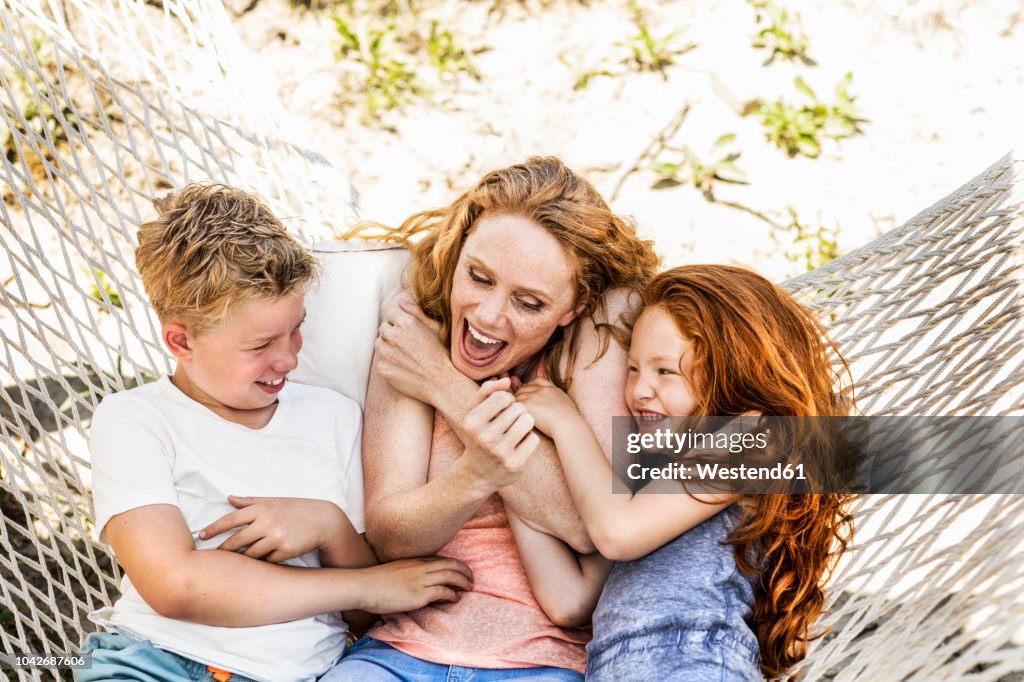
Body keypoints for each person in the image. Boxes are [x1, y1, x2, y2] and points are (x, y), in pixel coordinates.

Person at [78, 184, 471, 682]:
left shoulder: (333, 417)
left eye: (297, 328)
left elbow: (367, 617)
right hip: (154, 662)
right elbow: (174, 583)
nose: (288, 359)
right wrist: (364, 586)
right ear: (181, 341)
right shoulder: (134, 419)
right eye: (261, 344)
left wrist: (329, 526)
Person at [322, 157, 659, 680]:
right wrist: (473, 476)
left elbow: (589, 525)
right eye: (478, 277)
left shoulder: (594, 337)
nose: (486, 316)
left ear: (573, 307)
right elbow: (391, 536)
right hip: (398, 653)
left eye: (529, 303)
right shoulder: (416, 332)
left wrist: (444, 386)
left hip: (540, 661)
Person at [514, 264, 857, 680]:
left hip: (694, 663)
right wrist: (511, 470)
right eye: (634, 368)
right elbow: (568, 600)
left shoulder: (761, 439)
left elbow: (616, 533)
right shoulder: (653, 493)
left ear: (734, 372)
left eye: (665, 371)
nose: (639, 390)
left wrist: (566, 423)